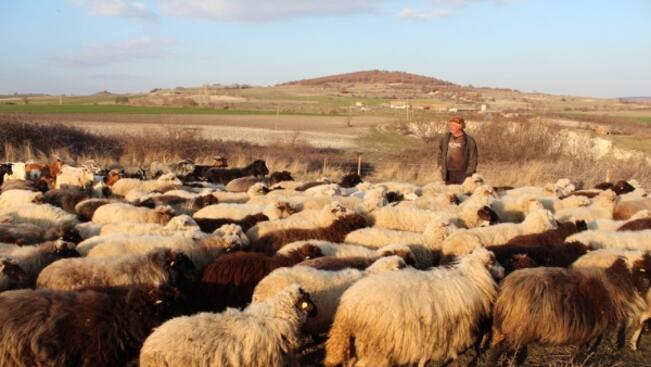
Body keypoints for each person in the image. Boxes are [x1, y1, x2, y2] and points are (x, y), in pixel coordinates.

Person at [437, 117, 478, 185]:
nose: (451, 127)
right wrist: (440, 164)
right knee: (449, 194)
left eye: (453, 125)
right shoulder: (446, 138)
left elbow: (473, 158)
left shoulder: (469, 140)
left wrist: (469, 173)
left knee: (462, 194)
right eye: (450, 125)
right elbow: (440, 152)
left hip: (463, 173)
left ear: (460, 126)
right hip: (448, 173)